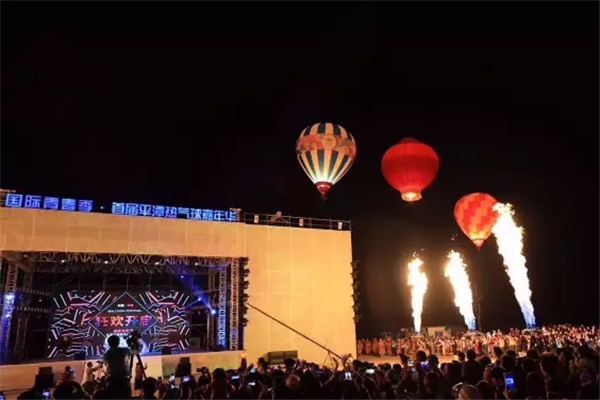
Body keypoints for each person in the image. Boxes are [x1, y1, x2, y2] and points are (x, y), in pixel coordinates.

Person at [102, 334, 133, 398]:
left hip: (112, 381)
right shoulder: (125, 350)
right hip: (124, 380)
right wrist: (134, 344)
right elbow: (136, 351)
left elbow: (106, 363)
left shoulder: (107, 353)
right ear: (118, 342)